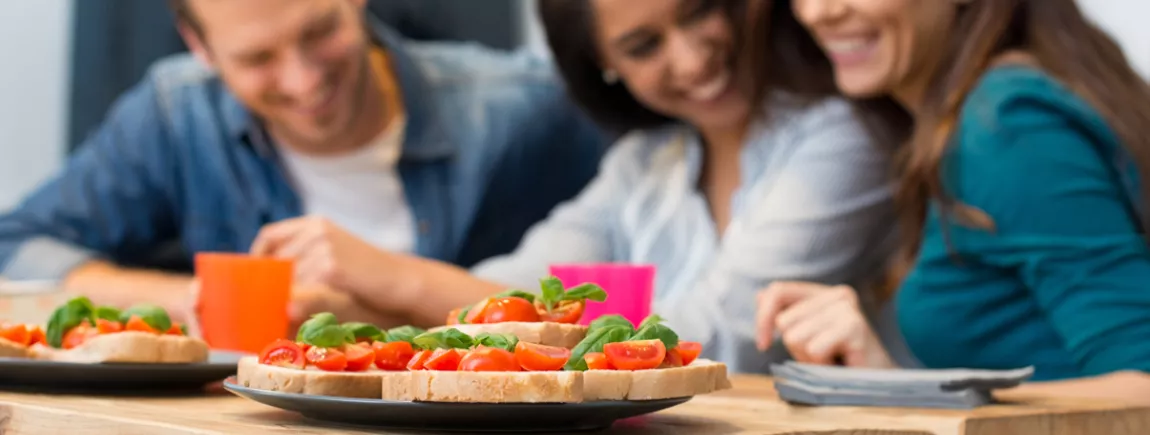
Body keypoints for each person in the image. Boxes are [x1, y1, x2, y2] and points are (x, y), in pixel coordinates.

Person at [252, 0, 900, 374]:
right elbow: (528, 289)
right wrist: (356, 308)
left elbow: (720, 339)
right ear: (605, 67)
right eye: (644, 45)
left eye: (698, 9)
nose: (694, 58)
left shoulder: (840, 137)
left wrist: (398, 278)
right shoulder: (649, 161)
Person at [0, 0, 607, 329]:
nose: (302, 79)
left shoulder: (526, 109)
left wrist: (391, 286)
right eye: (258, 57)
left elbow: (652, 252)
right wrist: (200, 297)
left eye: (320, 31)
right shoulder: (175, 114)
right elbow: (16, 244)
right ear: (200, 47)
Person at [755, 0, 1150, 403]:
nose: (817, 11)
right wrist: (882, 380)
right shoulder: (963, 120)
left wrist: (908, 394)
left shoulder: (1007, 125)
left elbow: (1143, 388)